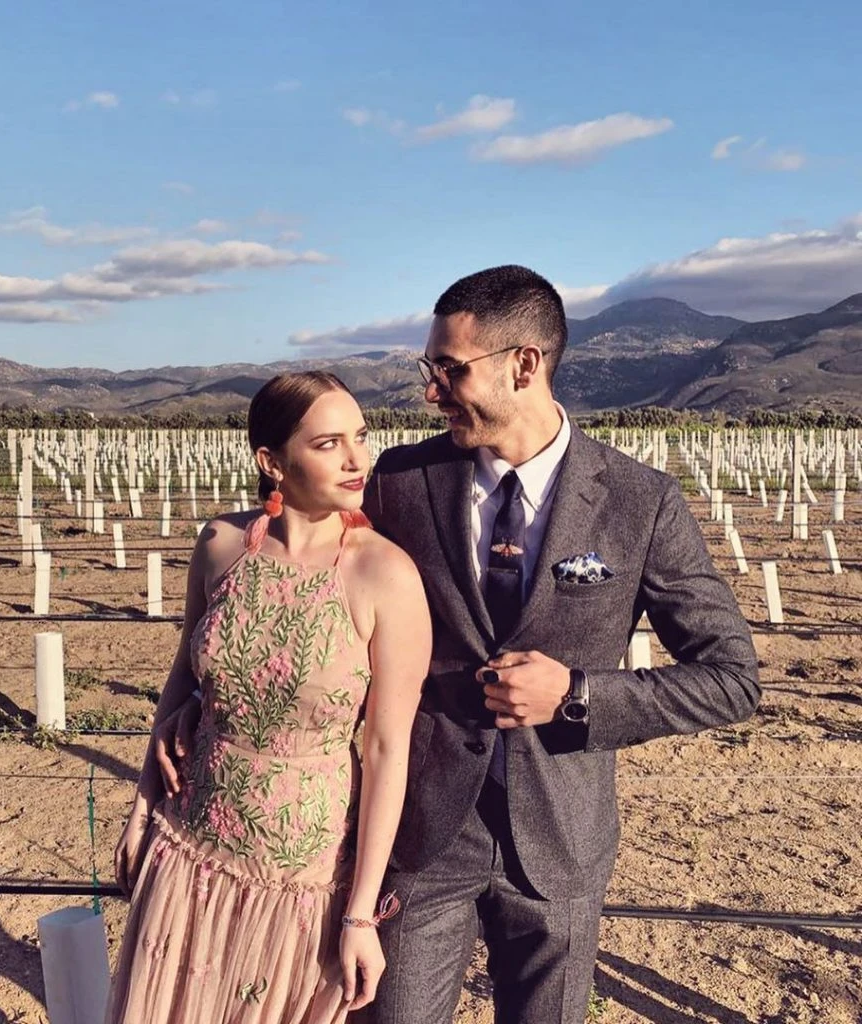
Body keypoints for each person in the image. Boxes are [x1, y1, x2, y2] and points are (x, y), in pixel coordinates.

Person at [358, 265, 760, 1024]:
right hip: (422, 832)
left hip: (562, 841)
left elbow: (731, 676)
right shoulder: (398, 482)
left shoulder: (641, 501)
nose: (431, 389)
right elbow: (311, 583)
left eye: (449, 368)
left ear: (525, 364)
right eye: (429, 368)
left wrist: (575, 696)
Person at [106, 371, 431, 1024]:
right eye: (329, 443)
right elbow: (180, 683)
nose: (355, 460)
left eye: (360, 439)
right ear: (272, 462)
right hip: (188, 845)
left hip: (299, 879)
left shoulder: (384, 575)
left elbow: (388, 749)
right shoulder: (221, 546)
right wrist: (143, 806)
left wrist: (361, 913)